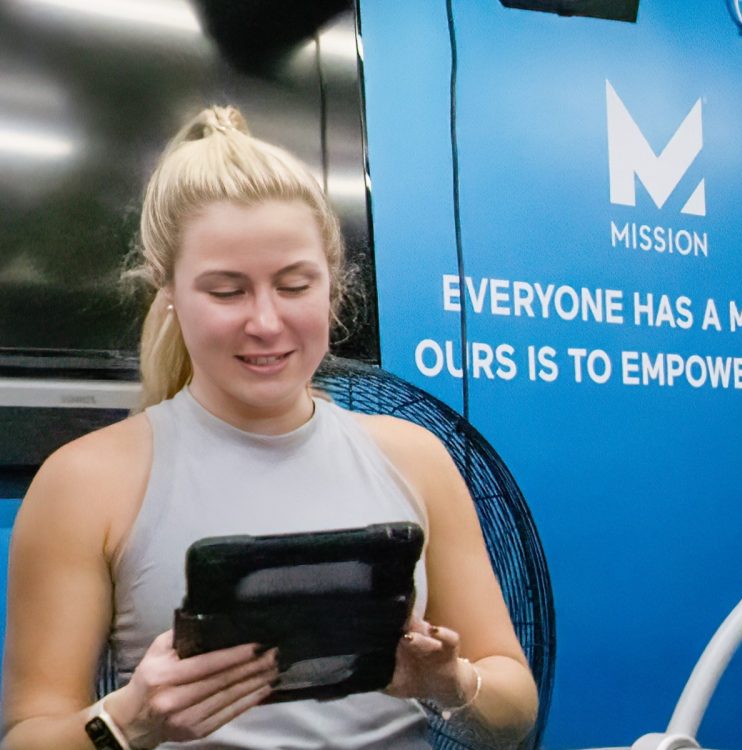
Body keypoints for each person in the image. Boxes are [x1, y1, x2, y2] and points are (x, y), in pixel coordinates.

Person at [2, 107, 537, 750]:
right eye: (227, 292)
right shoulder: (86, 482)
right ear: (165, 290)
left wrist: (450, 681)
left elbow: (513, 706)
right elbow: (27, 735)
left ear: (333, 286)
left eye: (293, 285)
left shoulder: (416, 458)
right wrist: (130, 719)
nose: (265, 322)